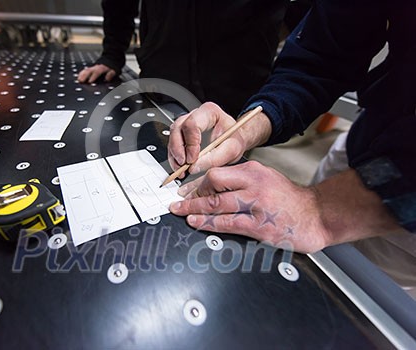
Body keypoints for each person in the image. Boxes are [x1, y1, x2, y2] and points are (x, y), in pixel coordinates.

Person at [166, 0, 415, 257]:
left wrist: (319, 210)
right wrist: (243, 131)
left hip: (404, 209)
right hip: (370, 134)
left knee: (358, 281)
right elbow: (322, 58)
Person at [78, 0, 289, 117]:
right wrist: (112, 54)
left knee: (229, 169)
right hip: (162, 76)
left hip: (240, 82)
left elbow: (306, 13)